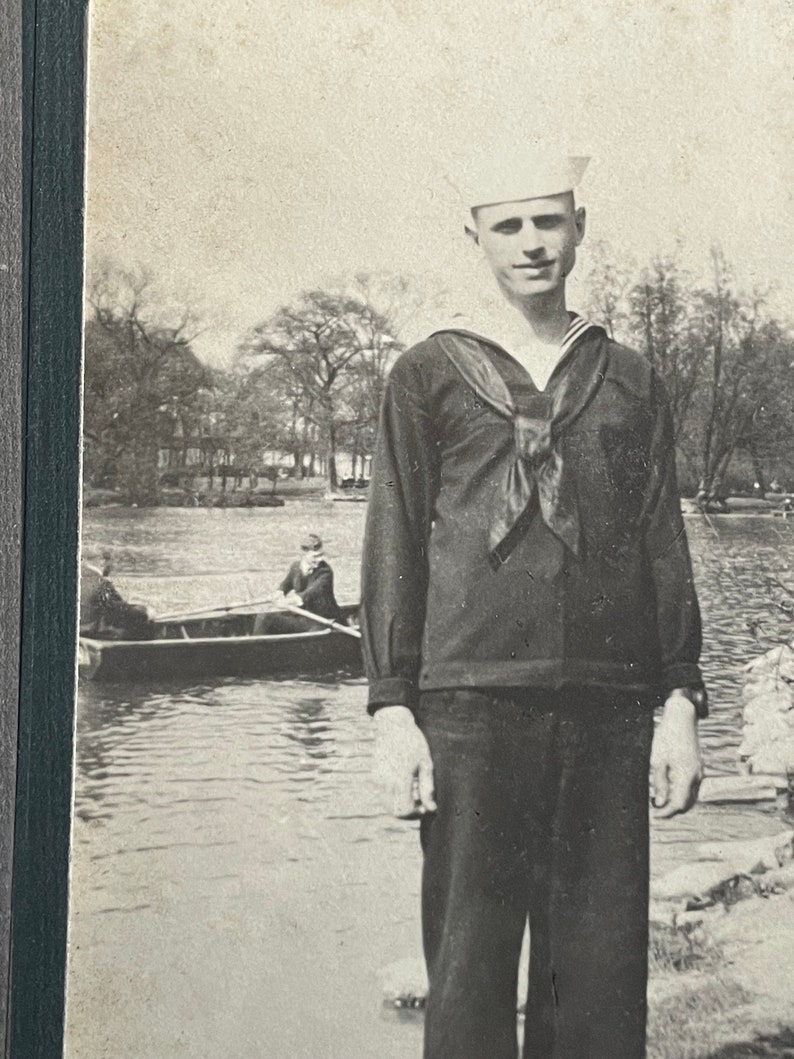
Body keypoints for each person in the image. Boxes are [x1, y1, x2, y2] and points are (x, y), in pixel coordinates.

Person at [360, 150, 706, 1059]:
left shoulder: (628, 377)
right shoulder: (426, 372)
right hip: (470, 704)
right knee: (470, 973)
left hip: (608, 704)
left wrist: (679, 701)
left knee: (596, 976)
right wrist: (392, 707)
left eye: (548, 221)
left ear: (579, 229)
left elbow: (660, 541)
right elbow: (393, 538)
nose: (530, 243)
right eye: (508, 224)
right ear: (472, 235)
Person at [253, 533, 343, 634]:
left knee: (313, 636)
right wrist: (279, 593)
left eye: (321, 555)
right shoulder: (295, 568)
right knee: (264, 618)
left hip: (324, 620)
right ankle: (254, 648)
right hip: (304, 618)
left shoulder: (325, 572)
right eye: (315, 556)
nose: (320, 559)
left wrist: (285, 603)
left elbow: (307, 595)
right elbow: (284, 586)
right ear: (304, 554)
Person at [79, 555, 154, 639]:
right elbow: (114, 602)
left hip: (84, 626)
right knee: (143, 613)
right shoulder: (95, 575)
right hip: (90, 627)